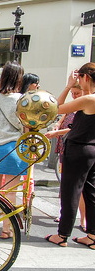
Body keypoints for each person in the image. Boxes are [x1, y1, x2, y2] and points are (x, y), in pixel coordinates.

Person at [45, 63, 95, 249]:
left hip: (78, 150)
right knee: (90, 193)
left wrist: (67, 86)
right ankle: (92, 235)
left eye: (79, 78)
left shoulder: (88, 99)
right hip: (92, 149)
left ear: (86, 78)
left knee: (70, 192)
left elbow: (56, 108)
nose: (78, 82)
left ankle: (62, 234)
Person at [0, 61, 27, 239]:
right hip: (15, 149)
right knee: (11, 192)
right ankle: (6, 229)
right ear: (19, 78)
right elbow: (25, 127)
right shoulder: (22, 100)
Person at [44, 73, 86, 231]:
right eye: (73, 94)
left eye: (77, 93)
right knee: (67, 185)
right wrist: (56, 126)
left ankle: (79, 221)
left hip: (77, 149)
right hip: (67, 148)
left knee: (78, 188)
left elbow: (57, 109)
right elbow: (60, 117)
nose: (75, 96)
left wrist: (56, 133)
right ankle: (70, 219)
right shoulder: (75, 105)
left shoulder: (85, 104)